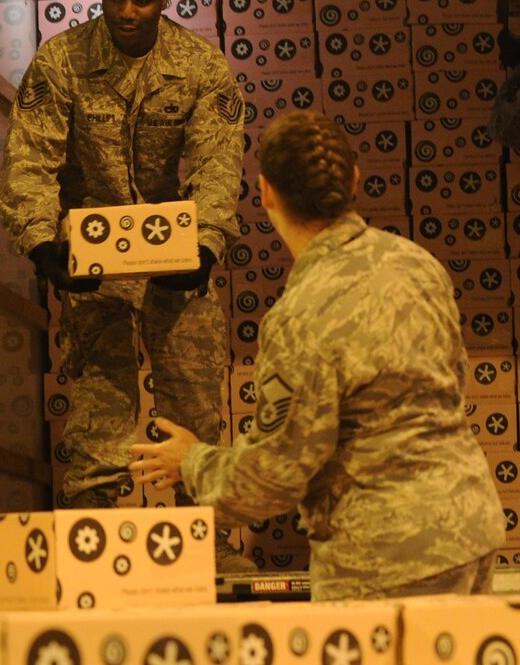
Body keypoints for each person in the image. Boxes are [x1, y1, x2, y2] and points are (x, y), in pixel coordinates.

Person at [129, 111, 506, 600]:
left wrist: (192, 463)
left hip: (385, 558)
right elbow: (454, 385)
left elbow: (273, 479)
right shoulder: (418, 265)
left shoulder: (299, 318)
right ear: (353, 180)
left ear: (264, 193)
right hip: (470, 529)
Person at [0, 0, 251, 570]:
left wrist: (208, 244)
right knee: (97, 408)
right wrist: (40, 244)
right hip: (94, 268)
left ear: (165, 0)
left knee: (193, 403)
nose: (126, 11)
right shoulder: (63, 62)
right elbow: (30, 158)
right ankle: (93, 545)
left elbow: (220, 163)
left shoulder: (200, 68)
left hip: (178, 267)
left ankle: (206, 545)